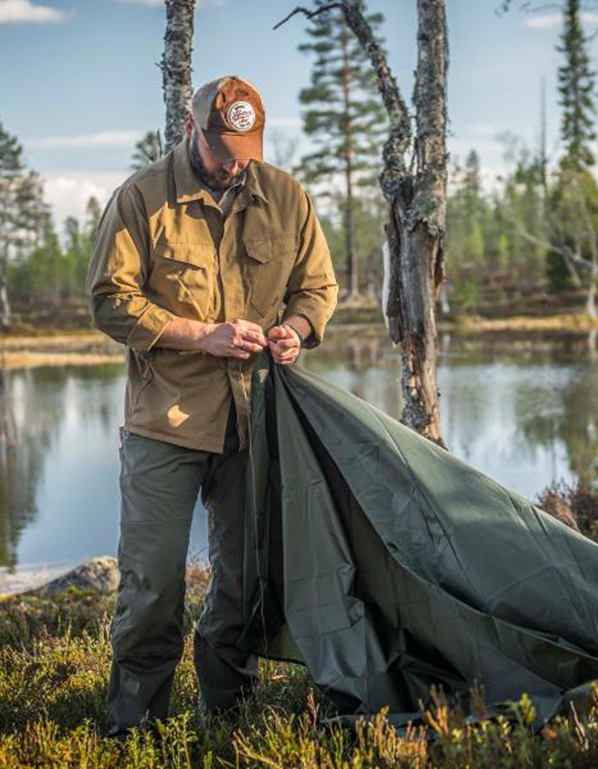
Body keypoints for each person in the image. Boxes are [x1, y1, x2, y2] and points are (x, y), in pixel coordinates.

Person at [86, 75, 338, 737]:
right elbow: (109, 300)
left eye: (245, 147)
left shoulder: (286, 196)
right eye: (223, 146)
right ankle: (134, 727)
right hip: (164, 425)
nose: (234, 161)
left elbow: (317, 288)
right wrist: (205, 334)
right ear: (193, 128)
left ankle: (226, 716)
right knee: (153, 585)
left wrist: (296, 331)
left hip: (255, 422)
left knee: (244, 581)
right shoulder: (141, 198)